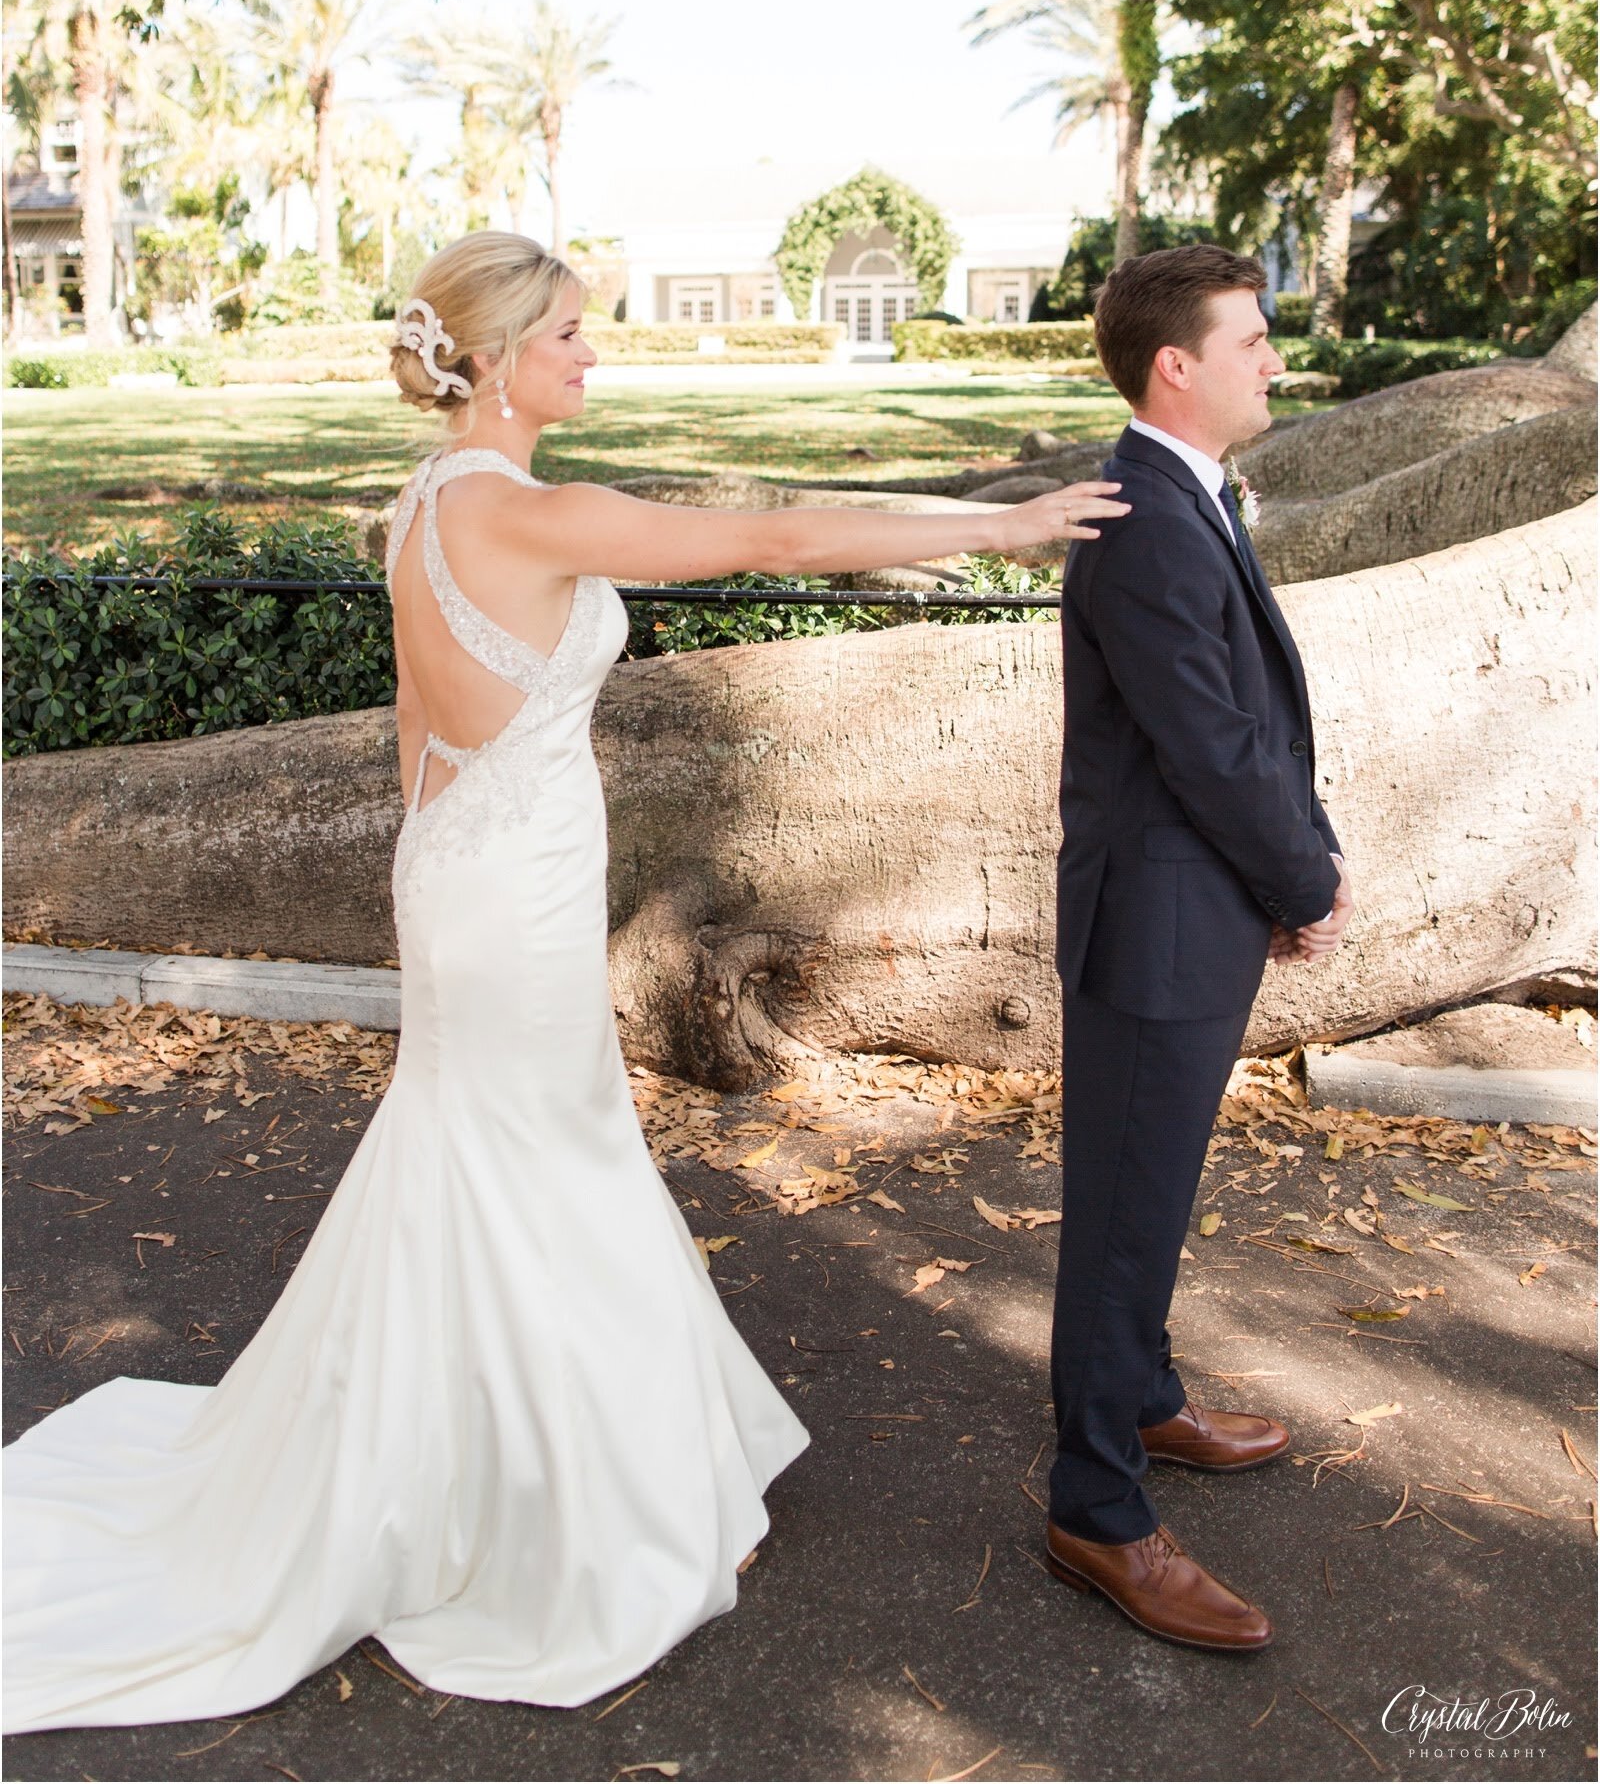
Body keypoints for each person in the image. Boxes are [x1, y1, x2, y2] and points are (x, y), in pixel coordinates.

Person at [3, 231, 1128, 1733]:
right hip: (505, 896)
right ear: (505, 354)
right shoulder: (530, 513)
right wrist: (1002, 525)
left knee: (496, 1152)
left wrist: (451, 861)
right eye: (576, 337)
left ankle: (519, 1468)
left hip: (467, 867)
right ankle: (581, 1520)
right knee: (548, 1160)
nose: (595, 356)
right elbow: (776, 540)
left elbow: (421, 723)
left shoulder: (420, 505)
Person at [1042, 244, 1355, 1652]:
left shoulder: (1182, 496)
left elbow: (1249, 717)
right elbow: (1214, 745)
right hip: (1161, 925)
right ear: (1178, 363)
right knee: (1121, 1208)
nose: (1272, 359)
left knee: (1151, 1192)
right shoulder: (1150, 519)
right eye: (1252, 338)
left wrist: (1296, 858)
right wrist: (1306, 871)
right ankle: (1097, 1509)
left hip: (1197, 909)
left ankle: (1145, 1395)